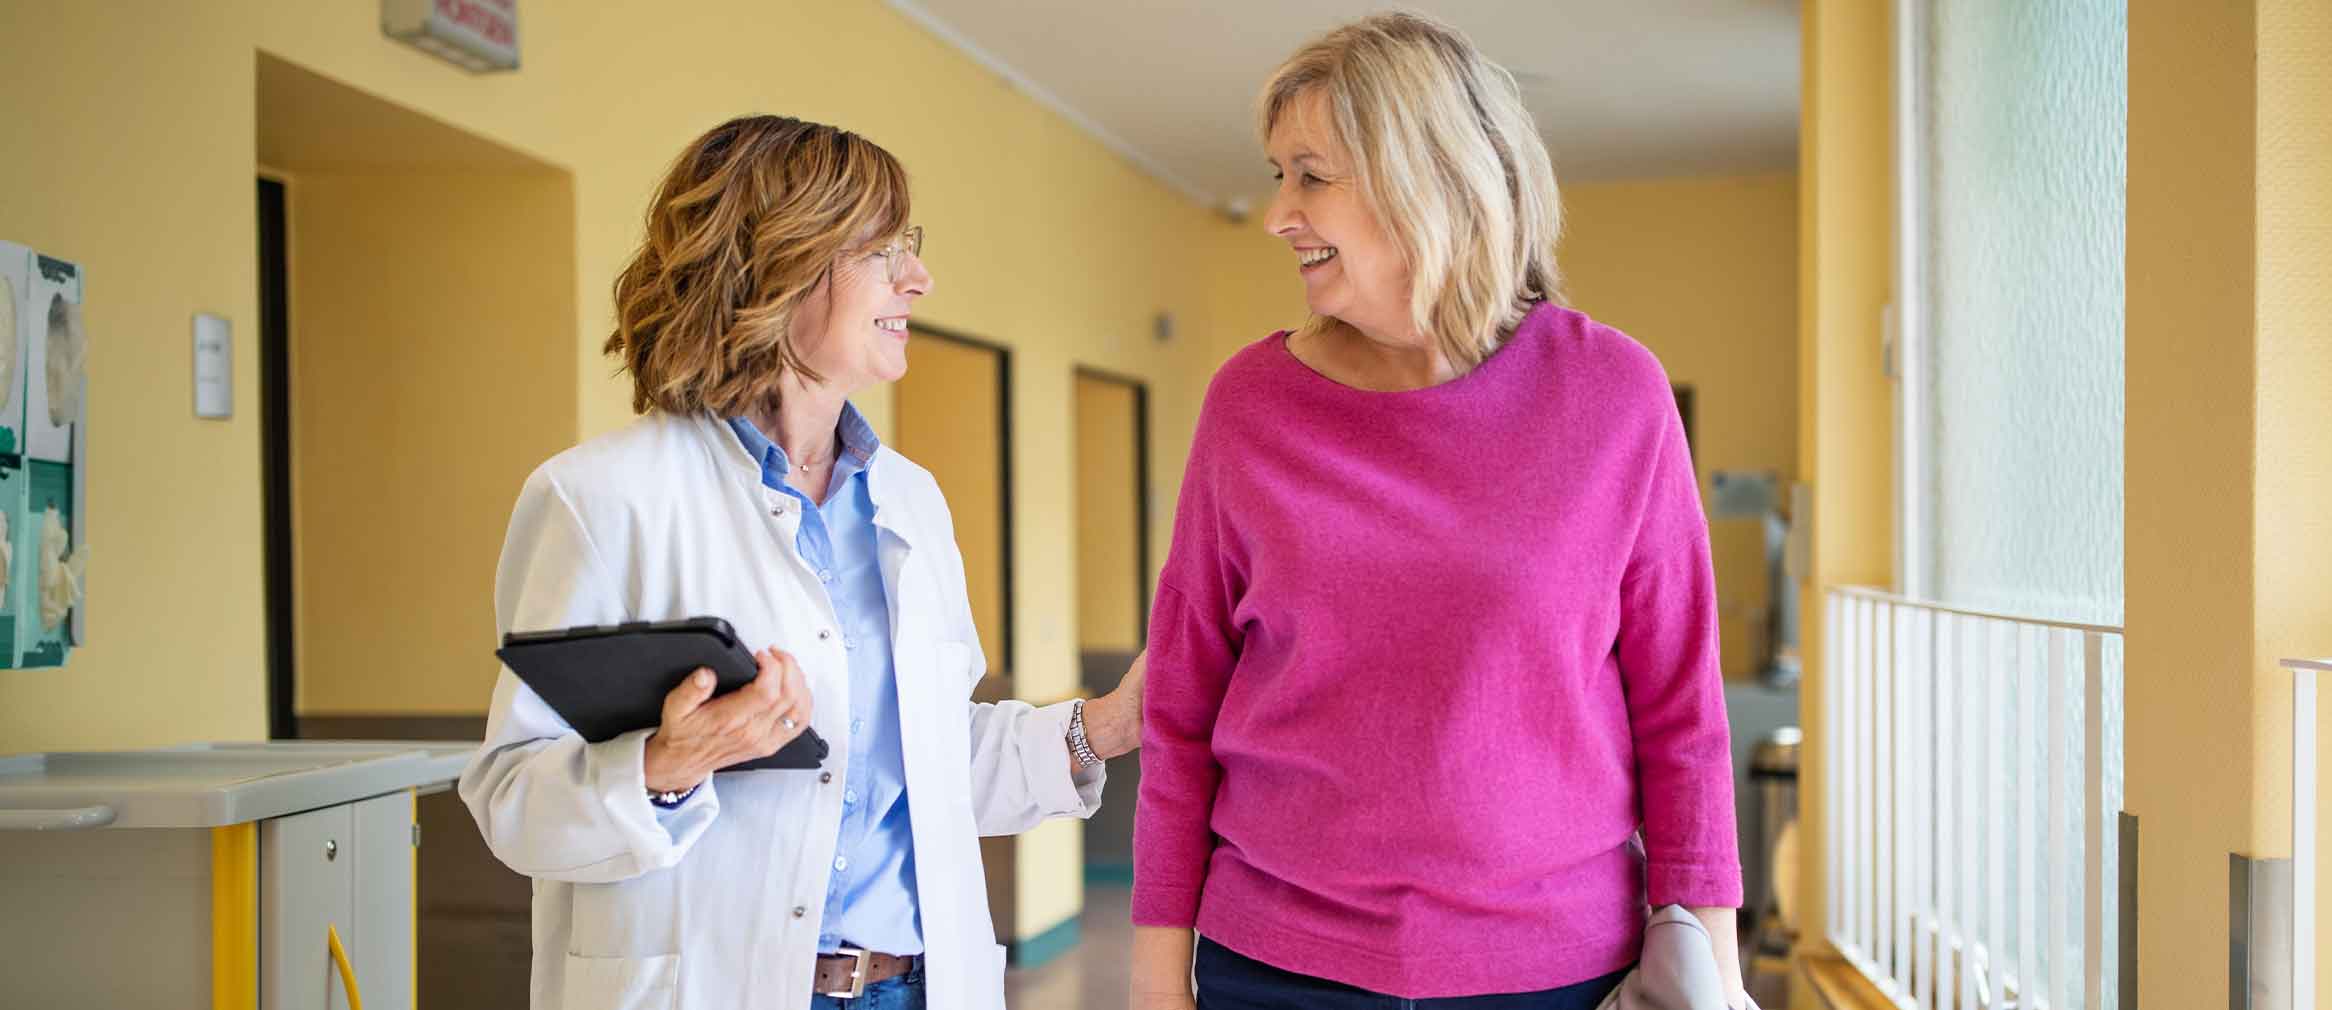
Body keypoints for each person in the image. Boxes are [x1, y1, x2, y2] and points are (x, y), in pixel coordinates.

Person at [1128, 13, 1747, 1010]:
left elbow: (1684, 715)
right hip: (1277, 967)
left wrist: (1712, 972)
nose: (1277, 212)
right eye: (1277, 172)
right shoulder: (1248, 405)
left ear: (1426, 176)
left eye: (1310, 173)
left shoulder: (1615, 394)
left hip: (1562, 971)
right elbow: (1183, 709)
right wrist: (1156, 984)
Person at [460, 114, 1144, 1010]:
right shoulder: (601, 499)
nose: (918, 278)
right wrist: (667, 764)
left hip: (914, 988)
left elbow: (927, 766)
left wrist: (1107, 725)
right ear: (776, 263)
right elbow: (512, 800)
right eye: (882, 251)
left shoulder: (911, 503)